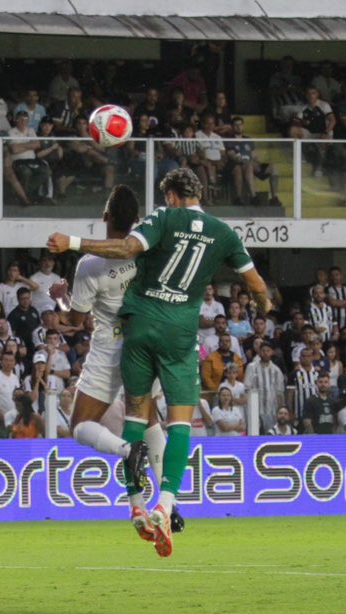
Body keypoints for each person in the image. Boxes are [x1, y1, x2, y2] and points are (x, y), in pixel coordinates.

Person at [47, 168, 271, 558]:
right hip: (163, 335)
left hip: (117, 344)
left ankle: (134, 493)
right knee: (154, 421)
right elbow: (251, 285)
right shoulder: (170, 240)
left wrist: (62, 295)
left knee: (82, 424)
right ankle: (168, 504)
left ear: (105, 216)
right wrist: (262, 310)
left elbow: (75, 319)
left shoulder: (100, 260)